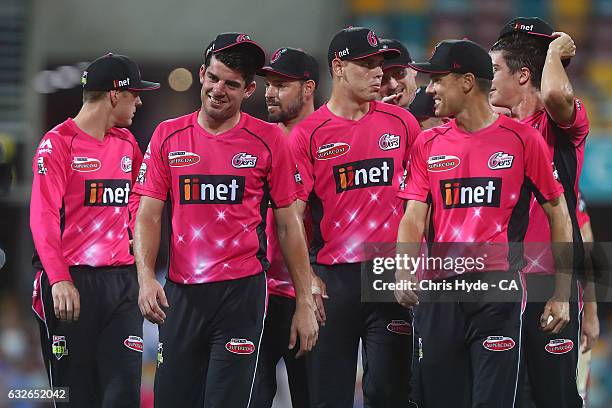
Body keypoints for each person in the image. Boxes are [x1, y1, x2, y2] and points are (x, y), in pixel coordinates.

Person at [132, 33, 319, 407]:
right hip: (181, 295)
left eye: (232, 84)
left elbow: (288, 226)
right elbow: (148, 215)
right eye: (214, 78)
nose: (220, 90)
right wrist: (147, 277)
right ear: (201, 74)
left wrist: (303, 302)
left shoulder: (268, 141)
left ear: (249, 89)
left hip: (242, 296)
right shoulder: (168, 136)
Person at [397, 39, 573, 407]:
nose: (429, 89)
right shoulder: (428, 143)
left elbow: (558, 211)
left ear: (465, 83)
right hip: (440, 291)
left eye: (437, 80)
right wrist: (403, 270)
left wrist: (560, 293)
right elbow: (414, 215)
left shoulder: (523, 140)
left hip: (498, 291)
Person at [291, 26, 422, 407]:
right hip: (334, 279)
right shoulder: (310, 134)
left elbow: (420, 203)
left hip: (389, 275)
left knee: (389, 392)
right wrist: (308, 280)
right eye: (366, 64)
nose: (378, 72)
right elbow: (293, 218)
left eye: (379, 63)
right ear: (339, 67)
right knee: (328, 395)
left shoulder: (402, 124)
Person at [30, 53, 159, 407]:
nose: (140, 100)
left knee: (123, 394)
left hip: (120, 285)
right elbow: (41, 218)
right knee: (76, 398)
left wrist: (142, 267)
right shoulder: (56, 145)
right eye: (135, 93)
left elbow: (136, 205)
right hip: (71, 284)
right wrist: (58, 279)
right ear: (115, 95)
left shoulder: (127, 144)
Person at [490, 17, 589, 407]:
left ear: (524, 74)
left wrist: (553, 51)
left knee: (556, 398)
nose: (489, 75)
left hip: (551, 283)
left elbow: (553, 95)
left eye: (497, 67)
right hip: (501, 283)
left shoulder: (561, 124)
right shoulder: (490, 129)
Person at [252, 47, 320, 408]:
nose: (269, 92)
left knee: (311, 398)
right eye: (268, 83)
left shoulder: (324, 135)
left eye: (280, 84)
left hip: (306, 295)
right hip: (260, 293)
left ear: (308, 88)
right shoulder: (259, 138)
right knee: (251, 396)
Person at [576, 190, 599, 404]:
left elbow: (587, 248)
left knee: (575, 393)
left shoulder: (568, 188)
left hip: (571, 310)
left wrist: (591, 313)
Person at [378, 38, 418, 107]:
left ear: (414, 69)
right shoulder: (365, 115)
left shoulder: (436, 107)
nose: (393, 86)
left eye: (399, 73)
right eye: (382, 78)